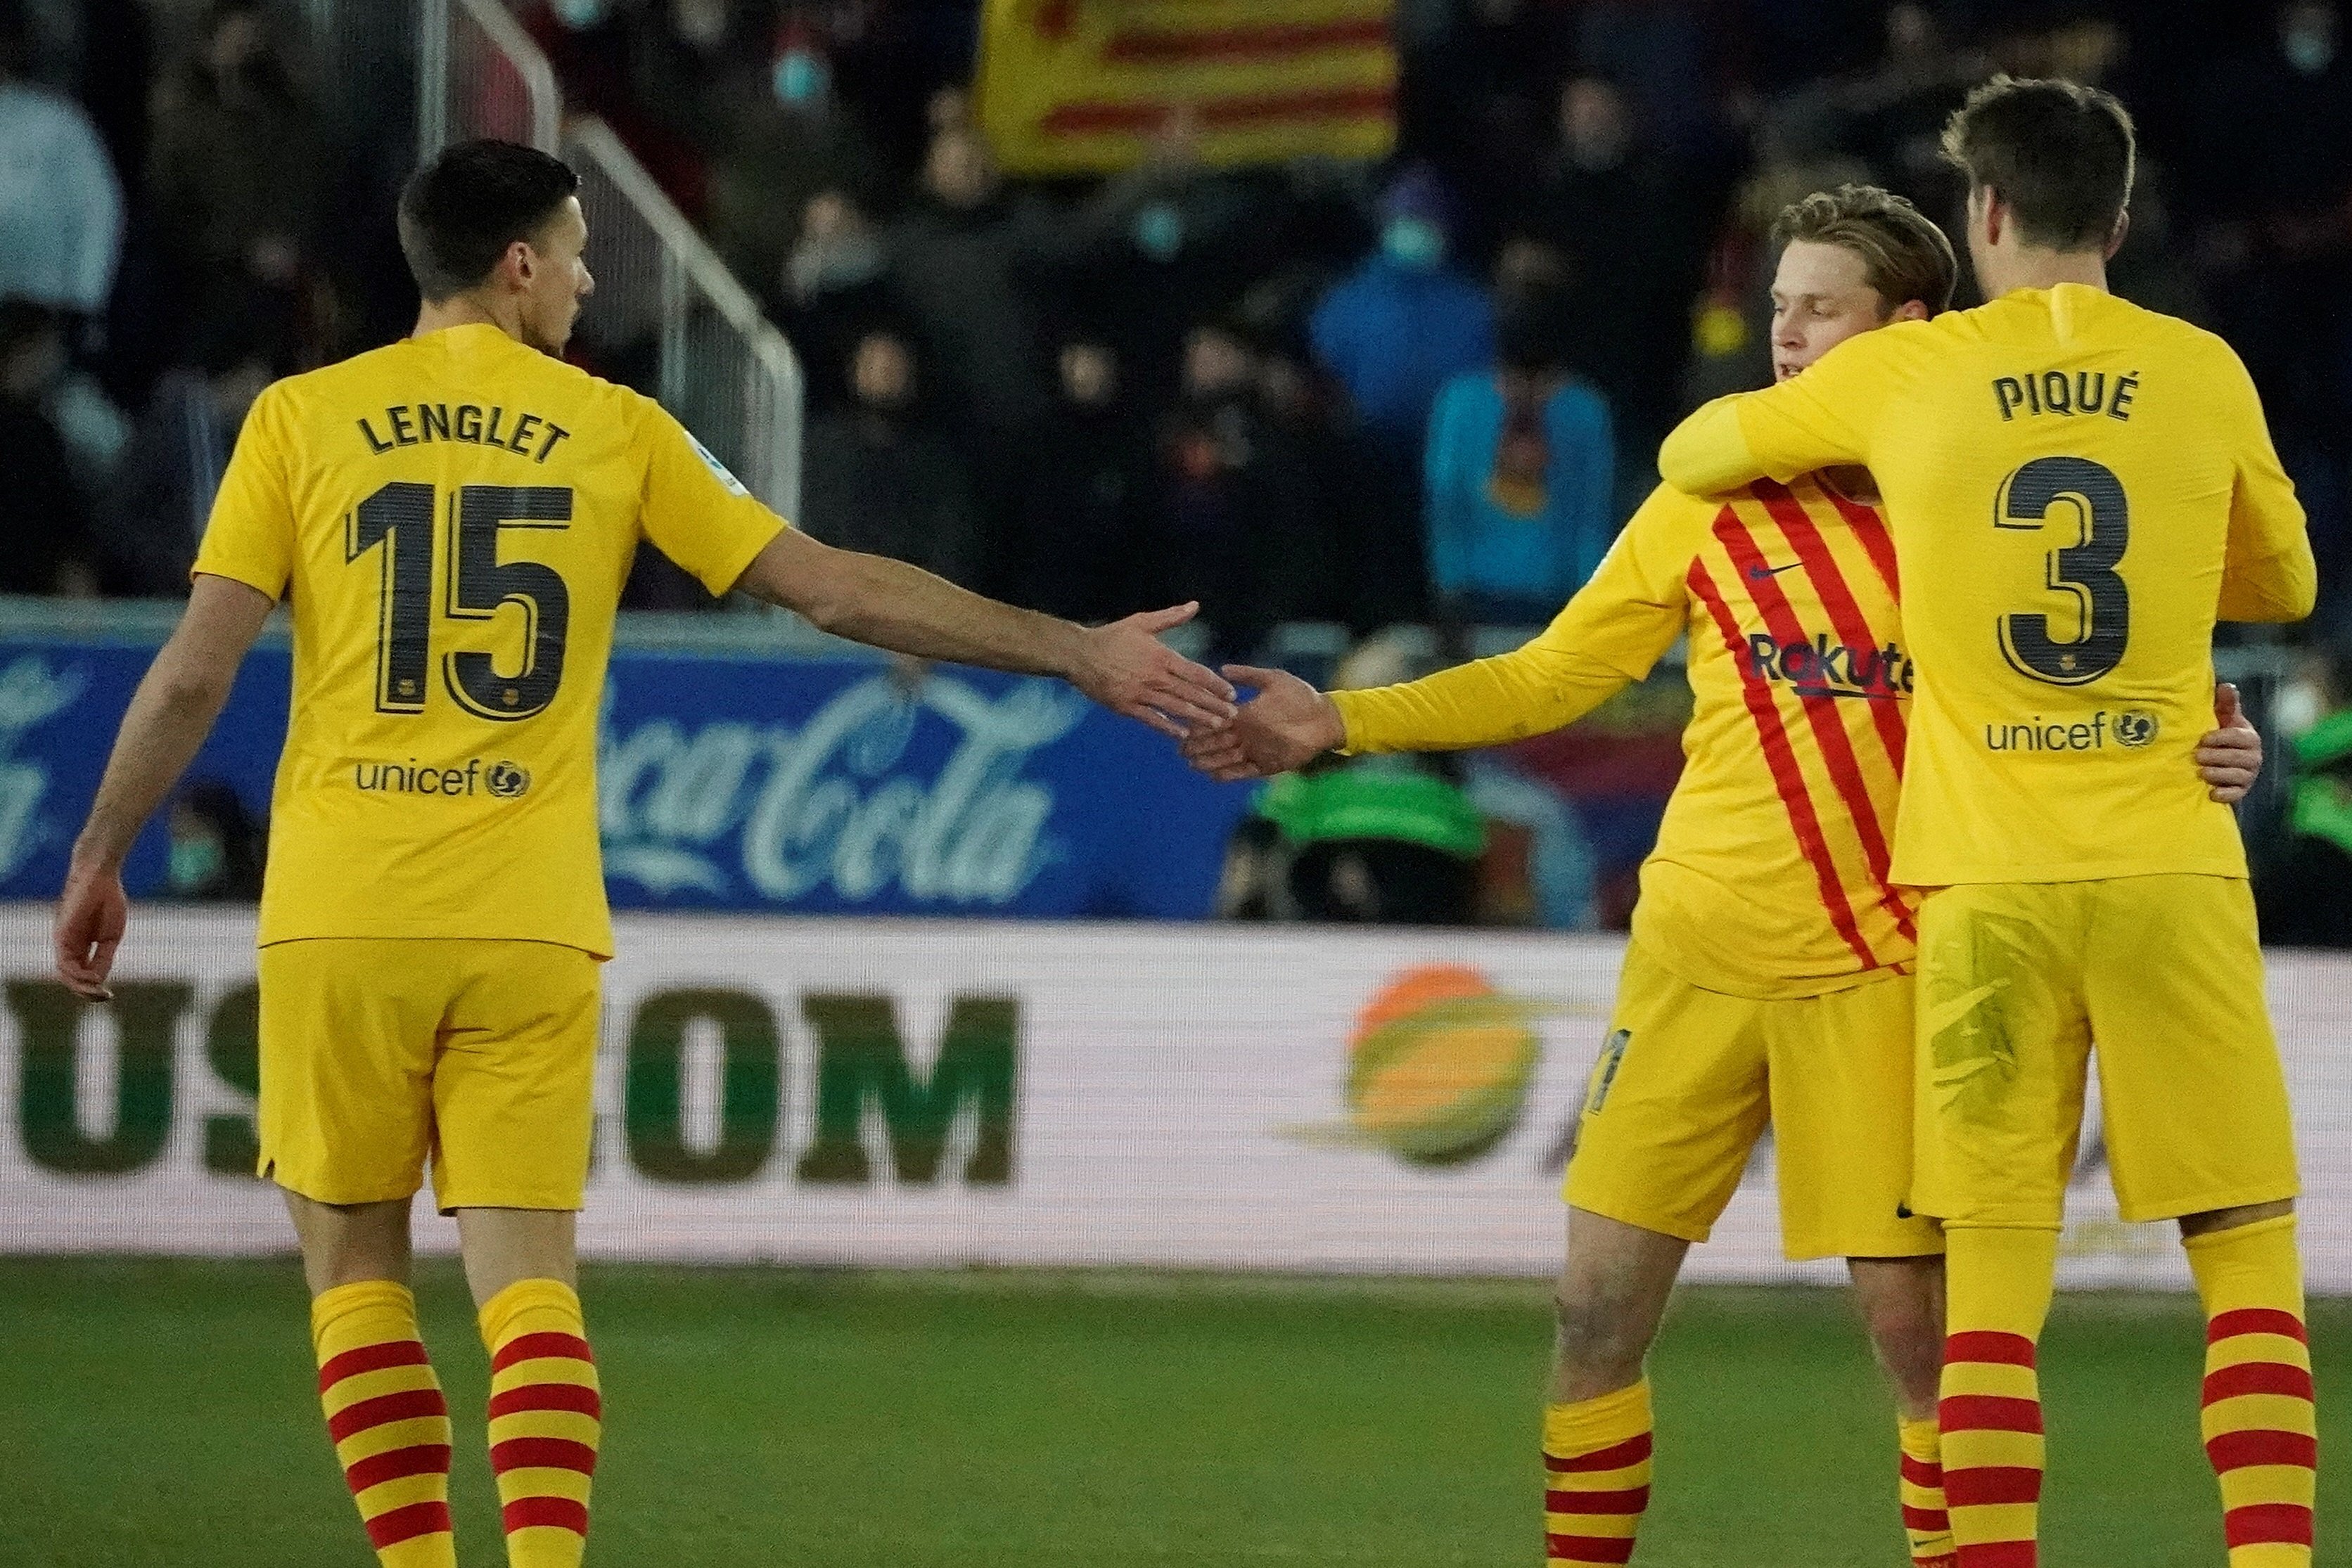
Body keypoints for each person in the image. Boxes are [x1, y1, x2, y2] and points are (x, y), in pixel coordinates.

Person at [50, 139, 1234, 1568]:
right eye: (580, 247)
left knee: (355, 1268)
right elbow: (838, 589)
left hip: (341, 908)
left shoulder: (301, 421)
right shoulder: (616, 428)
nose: (594, 276)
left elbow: (192, 673)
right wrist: (1072, 651)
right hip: (529, 914)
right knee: (529, 1289)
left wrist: (100, 851)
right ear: (520, 265)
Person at [1183, 182, 2268, 1568]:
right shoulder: (1704, 496)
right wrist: (1343, 716)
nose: (1788, 335)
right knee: (1588, 1314)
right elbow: (1551, 673)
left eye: (1820, 307)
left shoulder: (1971, 510)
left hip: (1884, 967)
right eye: (1778, 308)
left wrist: (2210, 747)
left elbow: (2103, 671)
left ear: (1909, 329)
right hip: (1691, 962)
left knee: (1918, 1342)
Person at [1658, 79, 2319, 1568]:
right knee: (2246, 1263)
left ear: (1989, 214)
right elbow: (2281, 585)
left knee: (1995, 1290)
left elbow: (1695, 458)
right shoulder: (2200, 367)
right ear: (2121, 220)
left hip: (1984, 884)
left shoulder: (1912, 373)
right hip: (2167, 859)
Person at [1424, 285, 1616, 625]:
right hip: (1476, 593)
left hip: (1557, 595)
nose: (1526, 391)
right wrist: (1450, 587)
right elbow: (1445, 503)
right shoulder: (1463, 405)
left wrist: (1587, 598)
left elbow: (1592, 512)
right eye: (1513, 378)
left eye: (1542, 381)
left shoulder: (1583, 412)